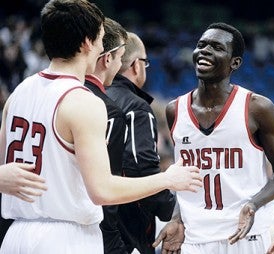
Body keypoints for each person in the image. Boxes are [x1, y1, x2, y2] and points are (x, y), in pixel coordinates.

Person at [0, 1, 202, 253]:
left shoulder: (19, 92)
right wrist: (167, 179)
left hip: (15, 234)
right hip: (65, 237)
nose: (100, 47)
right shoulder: (83, 100)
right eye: (100, 39)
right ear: (87, 43)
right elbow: (103, 190)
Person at [153, 22, 274, 254]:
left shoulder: (257, 108)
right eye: (201, 45)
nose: (204, 51)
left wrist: (254, 204)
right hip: (194, 236)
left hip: (245, 234)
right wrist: (176, 218)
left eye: (216, 47)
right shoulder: (175, 110)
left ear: (235, 62)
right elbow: (186, 178)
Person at [106, 32, 176, 254]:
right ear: (136, 65)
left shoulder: (87, 96)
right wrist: (170, 209)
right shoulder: (136, 107)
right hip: (125, 232)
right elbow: (142, 168)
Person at [84, 17, 128, 253]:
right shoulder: (107, 111)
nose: (121, 66)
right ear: (107, 57)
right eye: (121, 57)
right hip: (79, 231)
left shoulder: (28, 92)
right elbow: (104, 191)